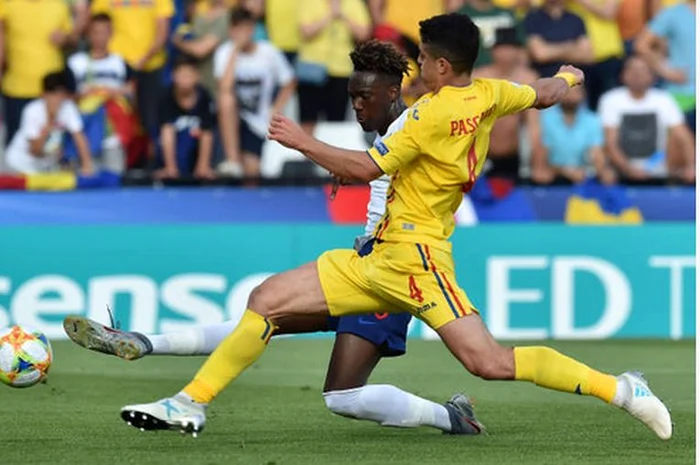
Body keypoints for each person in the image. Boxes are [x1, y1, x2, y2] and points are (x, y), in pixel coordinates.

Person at [118, 13, 672, 441]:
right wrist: (569, 75)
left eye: (425, 60)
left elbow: (364, 169)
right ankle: (189, 403)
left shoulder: (427, 115)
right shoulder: (493, 93)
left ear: (440, 66)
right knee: (267, 299)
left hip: (418, 260)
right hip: (376, 257)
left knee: (489, 363)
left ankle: (621, 388)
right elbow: (546, 94)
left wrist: (299, 140)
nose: (421, 69)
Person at [64, 40, 482, 436]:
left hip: (392, 271)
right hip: (364, 264)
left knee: (343, 396)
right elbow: (380, 173)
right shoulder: (385, 131)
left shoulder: (413, 125)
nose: (356, 105)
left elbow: (391, 170)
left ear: (393, 92)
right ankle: (146, 346)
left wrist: (307, 145)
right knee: (262, 317)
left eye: (364, 97)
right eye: (352, 95)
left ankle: (452, 418)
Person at [213, 8, 297, 180]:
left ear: (252, 29)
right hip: (230, 119)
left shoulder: (269, 52)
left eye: (245, 29)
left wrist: (276, 108)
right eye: (236, 29)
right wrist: (235, 50)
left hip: (258, 121)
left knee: (252, 173)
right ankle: (232, 160)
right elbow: (225, 87)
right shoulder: (224, 52)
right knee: (226, 99)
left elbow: (289, 81)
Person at [598, 56, 695, 183]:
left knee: (677, 136)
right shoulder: (610, 99)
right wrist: (629, 169)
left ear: (652, 76)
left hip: (660, 165)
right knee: (598, 142)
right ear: (622, 75)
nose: (637, 74)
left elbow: (683, 136)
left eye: (643, 70)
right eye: (632, 69)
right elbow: (610, 143)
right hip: (621, 168)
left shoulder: (664, 99)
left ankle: (674, 182)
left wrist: (692, 166)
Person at [67, 13, 135, 175]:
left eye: (104, 32)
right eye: (95, 32)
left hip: (113, 130)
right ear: (88, 34)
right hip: (85, 129)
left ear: (111, 34)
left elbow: (132, 91)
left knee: (115, 176)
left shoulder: (120, 62)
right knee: (86, 176)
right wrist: (86, 96)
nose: (99, 37)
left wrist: (112, 92)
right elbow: (65, 96)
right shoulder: (76, 62)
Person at [0, 0, 74, 145]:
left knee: (52, 147)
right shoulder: (7, 3)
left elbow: (73, 40)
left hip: (51, 93)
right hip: (17, 90)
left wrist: (65, 39)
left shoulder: (58, 5)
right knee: (16, 149)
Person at [473, 27, 541, 180]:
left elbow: (534, 125)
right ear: (493, 51)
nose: (506, 53)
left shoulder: (528, 78)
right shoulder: (479, 77)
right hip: (482, 154)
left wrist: (536, 161)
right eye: (502, 48)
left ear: (518, 51)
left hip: (514, 153)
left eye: (510, 48)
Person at [5, 72, 94, 176]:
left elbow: (79, 137)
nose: (57, 100)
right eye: (54, 95)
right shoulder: (32, 110)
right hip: (20, 162)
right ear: (43, 95)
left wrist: (87, 165)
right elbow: (35, 150)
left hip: (45, 166)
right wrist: (50, 123)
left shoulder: (68, 107)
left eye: (61, 95)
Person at [534, 85, 613, 184]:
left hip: (582, 176)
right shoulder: (544, 118)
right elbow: (540, 158)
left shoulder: (592, 120)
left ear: (583, 95)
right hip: (553, 176)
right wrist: (563, 170)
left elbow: (596, 152)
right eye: (567, 92)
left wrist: (602, 170)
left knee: (607, 177)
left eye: (576, 92)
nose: (571, 96)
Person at [155, 55, 216, 180]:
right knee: (167, 133)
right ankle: (170, 168)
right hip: (173, 146)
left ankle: (202, 167)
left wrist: (203, 166)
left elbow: (207, 131)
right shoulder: (165, 97)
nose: (185, 80)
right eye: (181, 76)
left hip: (196, 146)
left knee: (204, 135)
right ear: (173, 76)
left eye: (188, 76)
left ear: (197, 76)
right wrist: (170, 167)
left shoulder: (204, 96)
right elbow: (166, 130)